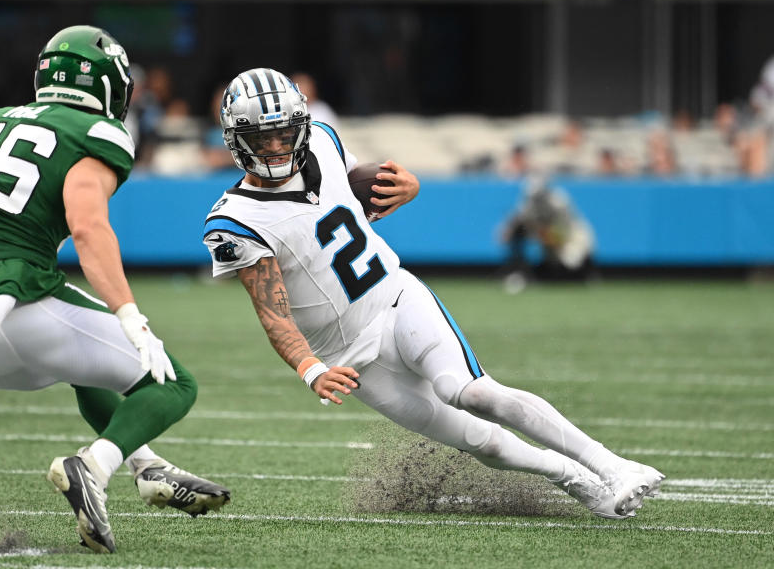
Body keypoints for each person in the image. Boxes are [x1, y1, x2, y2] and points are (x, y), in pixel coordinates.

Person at [202, 67, 662, 522]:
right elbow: (273, 312)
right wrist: (310, 370)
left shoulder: (323, 139)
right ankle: (575, 479)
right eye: (264, 139)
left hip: (394, 297)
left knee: (470, 392)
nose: (279, 147)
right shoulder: (235, 221)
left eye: (285, 134)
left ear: (301, 126)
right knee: (484, 443)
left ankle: (613, 465)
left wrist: (409, 186)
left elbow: (358, 185)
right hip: (348, 356)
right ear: (237, 141)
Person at [0, 26, 229, 554]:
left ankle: (148, 466)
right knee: (175, 384)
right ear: (108, 84)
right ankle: (92, 467)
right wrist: (130, 315)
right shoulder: (96, 134)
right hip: (17, 301)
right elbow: (87, 227)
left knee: (85, 367)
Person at [500, 177, 596, 293]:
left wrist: (546, 236)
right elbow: (514, 222)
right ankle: (521, 272)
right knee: (552, 263)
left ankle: (586, 276)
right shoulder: (528, 204)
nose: (535, 200)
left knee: (571, 261)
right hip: (548, 236)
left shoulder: (559, 202)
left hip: (571, 236)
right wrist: (509, 232)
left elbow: (563, 231)